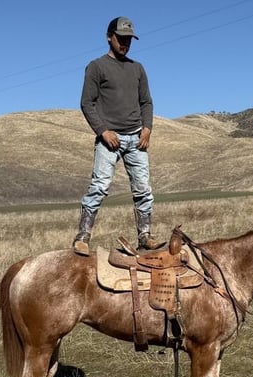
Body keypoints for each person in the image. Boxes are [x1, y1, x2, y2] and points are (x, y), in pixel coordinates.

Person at [73, 16, 163, 256]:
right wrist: (103, 131)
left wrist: (147, 128)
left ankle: (145, 236)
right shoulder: (97, 67)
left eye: (129, 39)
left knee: (143, 189)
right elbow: (87, 103)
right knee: (99, 186)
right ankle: (83, 236)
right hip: (109, 139)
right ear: (109, 37)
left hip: (136, 138)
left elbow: (146, 102)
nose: (125, 43)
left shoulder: (137, 68)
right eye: (121, 38)